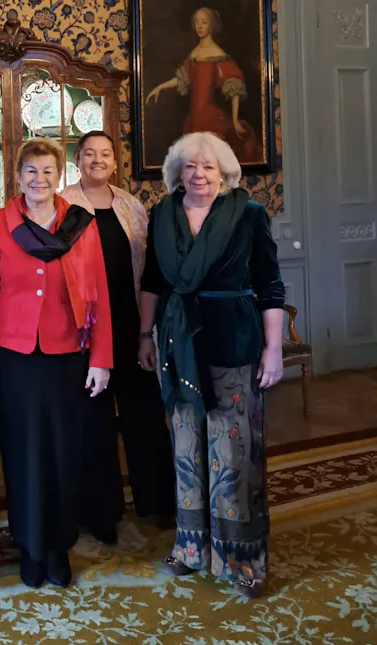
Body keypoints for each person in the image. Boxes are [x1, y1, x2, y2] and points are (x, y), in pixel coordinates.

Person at [139, 131, 284, 599]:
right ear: (176, 173)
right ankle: (191, 547)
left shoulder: (249, 214)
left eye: (208, 167)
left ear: (224, 172)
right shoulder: (161, 215)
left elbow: (270, 285)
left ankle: (241, 557)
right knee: (186, 447)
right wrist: (145, 334)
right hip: (179, 343)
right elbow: (153, 282)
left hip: (234, 343)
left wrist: (274, 347)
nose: (199, 175)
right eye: (189, 167)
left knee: (232, 451)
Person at [0, 138, 113, 589]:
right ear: (17, 177)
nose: (39, 179)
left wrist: (101, 360)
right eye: (31, 171)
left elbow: (100, 293)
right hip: (15, 356)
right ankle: (30, 547)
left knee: (62, 452)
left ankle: (59, 546)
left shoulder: (80, 225)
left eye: (48, 171)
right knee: (22, 451)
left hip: (68, 353)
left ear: (60, 175)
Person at [60, 131, 176, 544]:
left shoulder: (130, 205)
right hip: (85, 330)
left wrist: (148, 331)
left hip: (130, 325)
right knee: (93, 422)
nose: (97, 159)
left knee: (144, 414)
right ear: (78, 160)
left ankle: (158, 500)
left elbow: (147, 268)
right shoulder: (63, 205)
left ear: (115, 161)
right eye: (89, 153)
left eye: (105, 154)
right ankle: (100, 512)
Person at [145, 7, 259, 163]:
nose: (199, 26)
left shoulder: (217, 54)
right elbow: (183, 77)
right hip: (194, 117)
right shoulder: (195, 52)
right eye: (197, 22)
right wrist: (160, 87)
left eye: (204, 22)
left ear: (211, 25)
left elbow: (234, 87)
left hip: (209, 117)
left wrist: (234, 120)